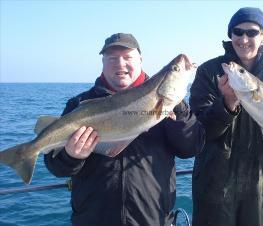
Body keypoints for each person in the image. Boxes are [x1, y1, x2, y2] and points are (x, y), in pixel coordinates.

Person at [44, 33, 205, 226]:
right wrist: (71, 156)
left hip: (152, 219)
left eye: (128, 57)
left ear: (140, 60)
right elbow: (56, 167)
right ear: (102, 62)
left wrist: (178, 106)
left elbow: (191, 147)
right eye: (112, 58)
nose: (120, 64)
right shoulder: (78, 105)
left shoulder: (172, 108)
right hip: (93, 220)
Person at [189, 7, 263, 226]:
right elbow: (199, 132)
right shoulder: (209, 71)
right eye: (237, 32)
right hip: (215, 186)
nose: (244, 39)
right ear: (230, 35)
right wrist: (226, 104)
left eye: (252, 33)